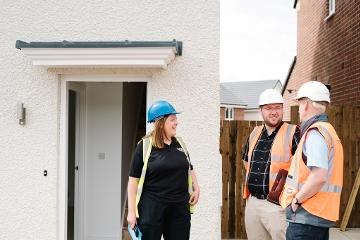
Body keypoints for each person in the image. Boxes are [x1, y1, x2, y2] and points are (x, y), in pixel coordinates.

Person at [127, 100, 200, 240]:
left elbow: (189, 167)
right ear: (161, 123)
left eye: (176, 119)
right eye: (172, 119)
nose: (176, 123)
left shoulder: (180, 143)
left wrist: (197, 188)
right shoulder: (144, 146)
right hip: (152, 210)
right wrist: (131, 212)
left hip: (179, 210)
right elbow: (133, 180)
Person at [280, 81, 343, 240]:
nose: (300, 109)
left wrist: (296, 201)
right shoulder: (328, 131)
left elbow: (319, 176)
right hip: (318, 217)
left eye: (300, 104)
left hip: (306, 219)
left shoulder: (315, 134)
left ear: (306, 104)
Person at [242, 89, 300, 240]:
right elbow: (245, 161)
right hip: (253, 203)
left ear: (282, 109)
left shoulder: (293, 132)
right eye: (269, 108)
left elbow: (303, 169)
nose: (274, 112)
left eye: (277, 108)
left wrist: (288, 197)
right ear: (261, 111)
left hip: (277, 206)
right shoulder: (254, 133)